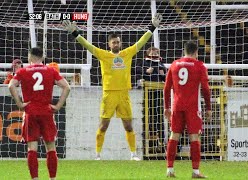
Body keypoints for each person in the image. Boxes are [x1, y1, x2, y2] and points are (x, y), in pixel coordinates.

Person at [62, 13, 162, 161]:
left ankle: (133, 154)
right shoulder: (104, 55)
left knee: (128, 126)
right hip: (108, 94)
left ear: (120, 43)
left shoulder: (127, 53)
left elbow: (141, 42)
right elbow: (88, 46)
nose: (116, 44)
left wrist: (152, 27)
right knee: (103, 126)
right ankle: (97, 154)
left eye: (118, 42)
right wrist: (75, 33)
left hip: (123, 94)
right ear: (109, 44)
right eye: (113, 42)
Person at [8, 47, 70, 180]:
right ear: (42, 58)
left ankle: (35, 178)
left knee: (32, 148)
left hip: (31, 112)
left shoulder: (23, 71)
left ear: (29, 58)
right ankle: (52, 178)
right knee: (51, 147)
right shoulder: (51, 70)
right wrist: (58, 105)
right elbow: (66, 87)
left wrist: (19, 103)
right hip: (46, 112)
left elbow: (11, 85)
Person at [163, 41, 211, 178]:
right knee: (194, 137)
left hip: (177, 106)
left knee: (174, 135)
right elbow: (206, 89)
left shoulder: (174, 64)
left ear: (184, 51)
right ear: (196, 52)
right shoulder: (200, 65)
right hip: (192, 107)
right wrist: (208, 107)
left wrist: (166, 107)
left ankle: (170, 170)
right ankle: (195, 172)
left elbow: (166, 88)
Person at [141, 47, 167, 153]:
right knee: (148, 117)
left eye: (156, 52)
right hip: (147, 94)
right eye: (153, 51)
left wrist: (163, 75)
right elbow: (137, 72)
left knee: (159, 117)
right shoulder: (144, 63)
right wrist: (146, 72)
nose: (155, 53)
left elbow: (166, 78)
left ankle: (161, 142)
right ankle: (147, 143)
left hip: (158, 93)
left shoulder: (161, 64)